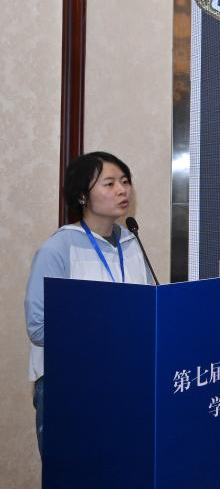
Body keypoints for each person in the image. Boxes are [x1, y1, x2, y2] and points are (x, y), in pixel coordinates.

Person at [24, 151, 155, 458]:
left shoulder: (132, 243)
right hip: (69, 382)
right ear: (83, 195)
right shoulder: (59, 248)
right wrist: (106, 332)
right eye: (109, 184)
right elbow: (38, 328)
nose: (122, 190)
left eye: (125, 181)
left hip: (125, 378)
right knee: (74, 470)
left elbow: (150, 308)